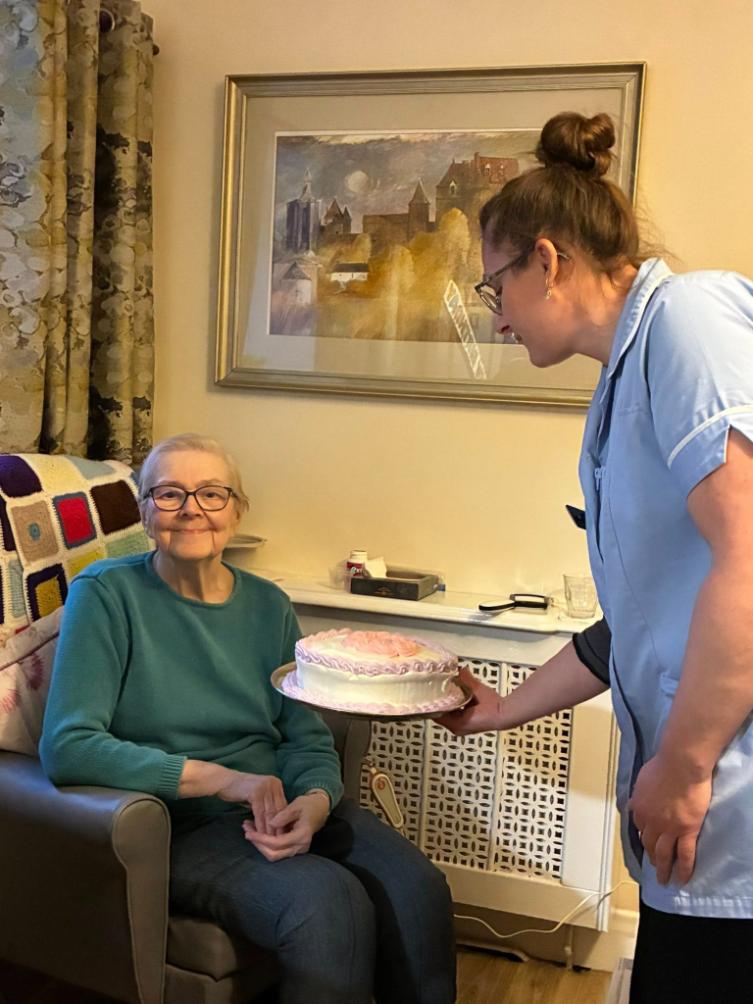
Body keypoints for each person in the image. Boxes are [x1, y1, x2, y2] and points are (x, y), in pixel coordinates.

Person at [439, 112, 753, 1003]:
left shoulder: (687, 323)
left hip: (727, 789)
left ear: (546, 260)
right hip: (696, 795)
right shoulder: (622, 379)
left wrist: (684, 767)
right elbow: (642, 618)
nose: (494, 317)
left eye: (492, 285)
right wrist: (502, 710)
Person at [40, 433, 456, 1004]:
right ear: (143, 512)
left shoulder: (268, 606)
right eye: (169, 494)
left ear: (237, 511)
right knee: (326, 903)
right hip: (177, 824)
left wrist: (313, 801)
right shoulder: (107, 595)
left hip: (278, 805)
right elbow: (70, 746)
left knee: (419, 888)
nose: (191, 509)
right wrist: (226, 781)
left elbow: (306, 735)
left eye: (212, 494)